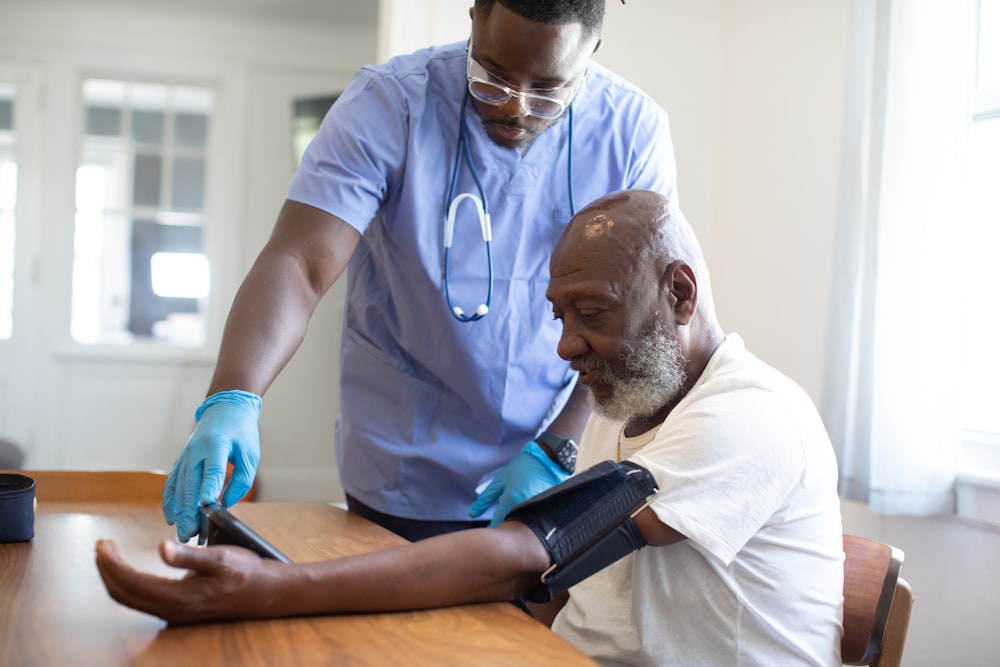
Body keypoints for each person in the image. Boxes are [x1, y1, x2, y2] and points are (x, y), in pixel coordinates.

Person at [100, 190, 845, 666]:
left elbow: (530, 555)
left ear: (679, 292)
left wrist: (277, 589)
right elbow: (556, 588)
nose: (564, 344)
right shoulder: (632, 412)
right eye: (560, 316)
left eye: (591, 312)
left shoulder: (750, 416)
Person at [161, 0, 678, 543]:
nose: (516, 108)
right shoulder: (390, 103)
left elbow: (636, 321)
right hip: (400, 462)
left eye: (549, 90)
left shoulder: (632, 131)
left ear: (591, 54)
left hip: (551, 457)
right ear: (475, 17)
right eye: (493, 78)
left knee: (515, 626)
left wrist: (559, 446)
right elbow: (301, 260)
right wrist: (235, 397)